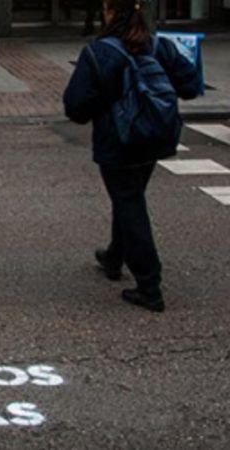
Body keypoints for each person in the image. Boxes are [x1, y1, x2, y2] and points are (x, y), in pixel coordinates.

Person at [63, 0, 200, 312]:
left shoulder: (99, 53)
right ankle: (114, 256)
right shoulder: (159, 46)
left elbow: (76, 108)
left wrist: (106, 99)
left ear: (109, 12)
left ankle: (149, 285)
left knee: (129, 202)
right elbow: (191, 86)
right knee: (128, 197)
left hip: (118, 143)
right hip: (154, 138)